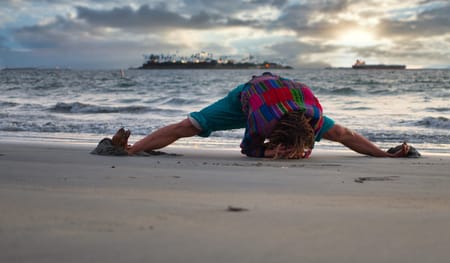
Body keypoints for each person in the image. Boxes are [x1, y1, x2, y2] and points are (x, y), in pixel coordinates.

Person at [127, 73, 409, 158]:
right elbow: (248, 149)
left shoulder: (314, 120)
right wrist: (266, 152)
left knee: (341, 133)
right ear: (271, 137)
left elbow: (348, 136)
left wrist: (386, 156)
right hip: (247, 97)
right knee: (188, 126)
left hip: (286, 93)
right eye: (280, 146)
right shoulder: (260, 122)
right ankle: (130, 149)